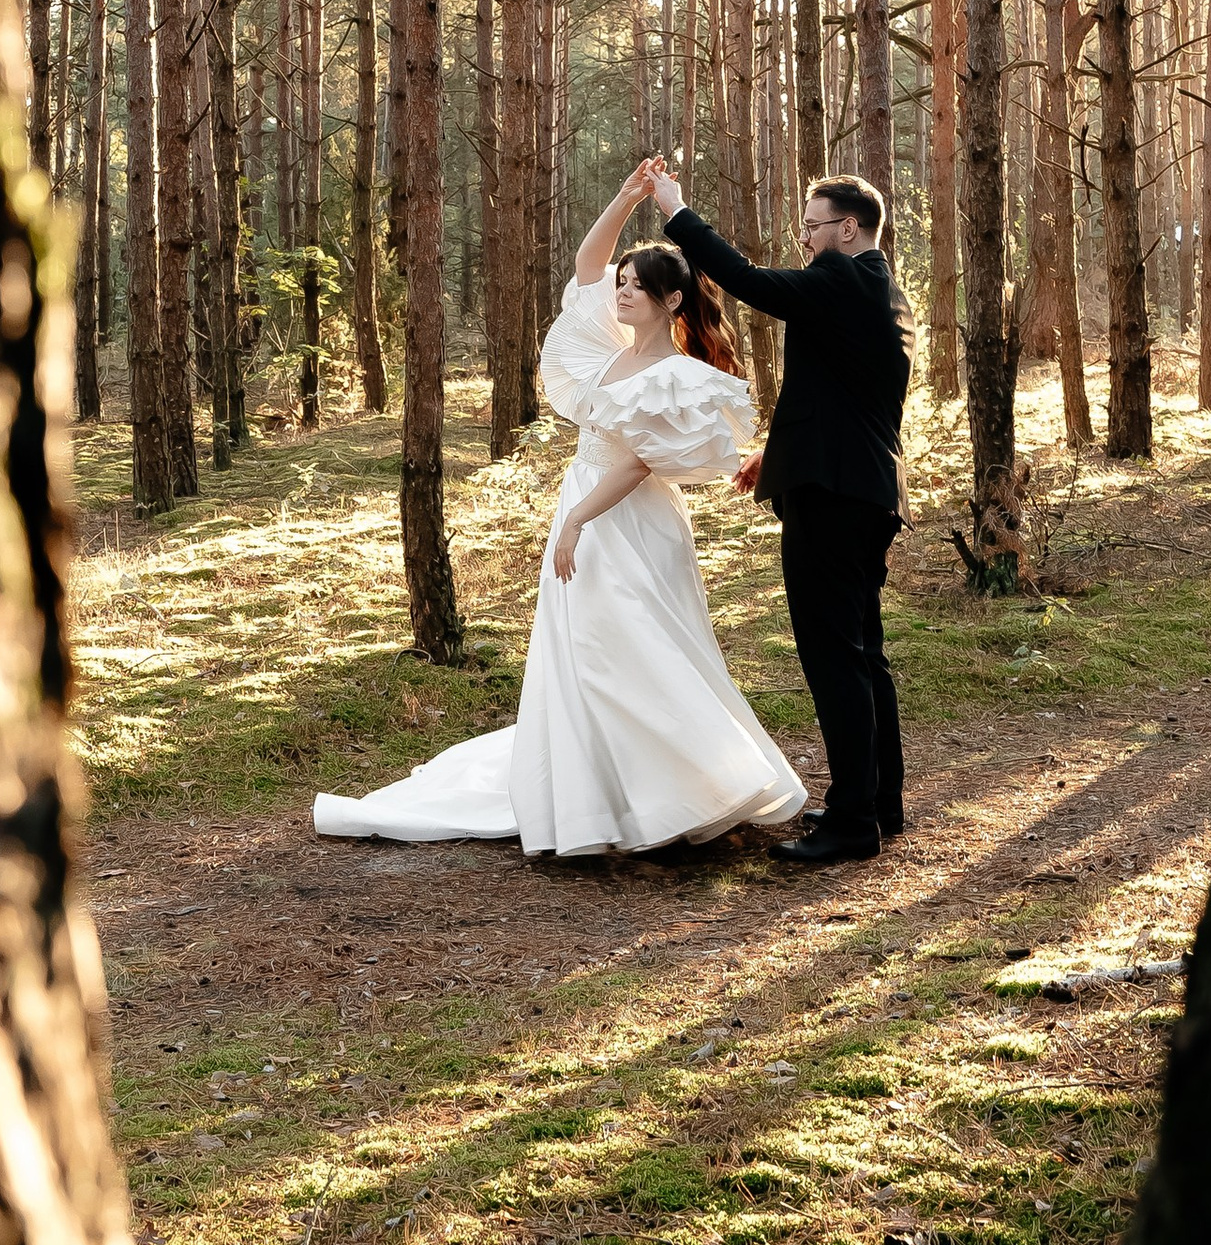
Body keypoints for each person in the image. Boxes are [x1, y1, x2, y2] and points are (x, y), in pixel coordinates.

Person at [313, 165, 807, 860]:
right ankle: (601, 795)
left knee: (640, 647)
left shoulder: (680, 376)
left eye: (638, 286)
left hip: (629, 521)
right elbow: (587, 264)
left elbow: (638, 462)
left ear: (672, 300)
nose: (623, 291)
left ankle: (686, 791)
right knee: (584, 653)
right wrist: (630, 196)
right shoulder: (607, 354)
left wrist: (577, 521)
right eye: (623, 285)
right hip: (583, 505)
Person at [648, 164, 914, 866]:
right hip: (863, 490)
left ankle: (855, 823)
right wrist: (779, 449)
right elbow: (844, 393)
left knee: (834, 660)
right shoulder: (881, 292)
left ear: (848, 229)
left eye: (813, 225)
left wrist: (678, 211)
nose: (805, 236)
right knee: (862, 654)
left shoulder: (844, 279)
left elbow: (746, 281)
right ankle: (879, 801)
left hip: (832, 500)